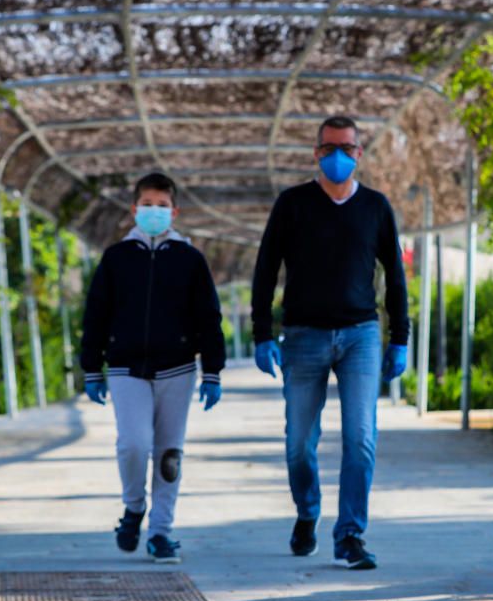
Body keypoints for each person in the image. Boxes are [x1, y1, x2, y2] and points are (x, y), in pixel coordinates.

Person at [251, 115, 409, 570]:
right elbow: (265, 270)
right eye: (328, 148)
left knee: (361, 438)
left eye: (347, 147)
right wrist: (262, 334)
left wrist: (400, 338)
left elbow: (394, 277)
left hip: (360, 334)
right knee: (300, 442)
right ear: (316, 153)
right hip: (303, 336)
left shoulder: (376, 207)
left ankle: (350, 535)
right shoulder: (292, 204)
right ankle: (307, 511)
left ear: (359, 154)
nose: (337, 156)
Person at [80, 172, 225, 564]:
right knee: (134, 444)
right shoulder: (116, 258)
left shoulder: (190, 260)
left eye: (162, 206)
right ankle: (133, 508)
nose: (154, 211)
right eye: (148, 204)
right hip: (126, 368)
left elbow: (209, 317)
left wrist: (213, 370)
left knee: (168, 454)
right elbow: (95, 314)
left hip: (177, 368)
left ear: (175, 211)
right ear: (134, 209)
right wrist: (91, 368)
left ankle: (161, 532)